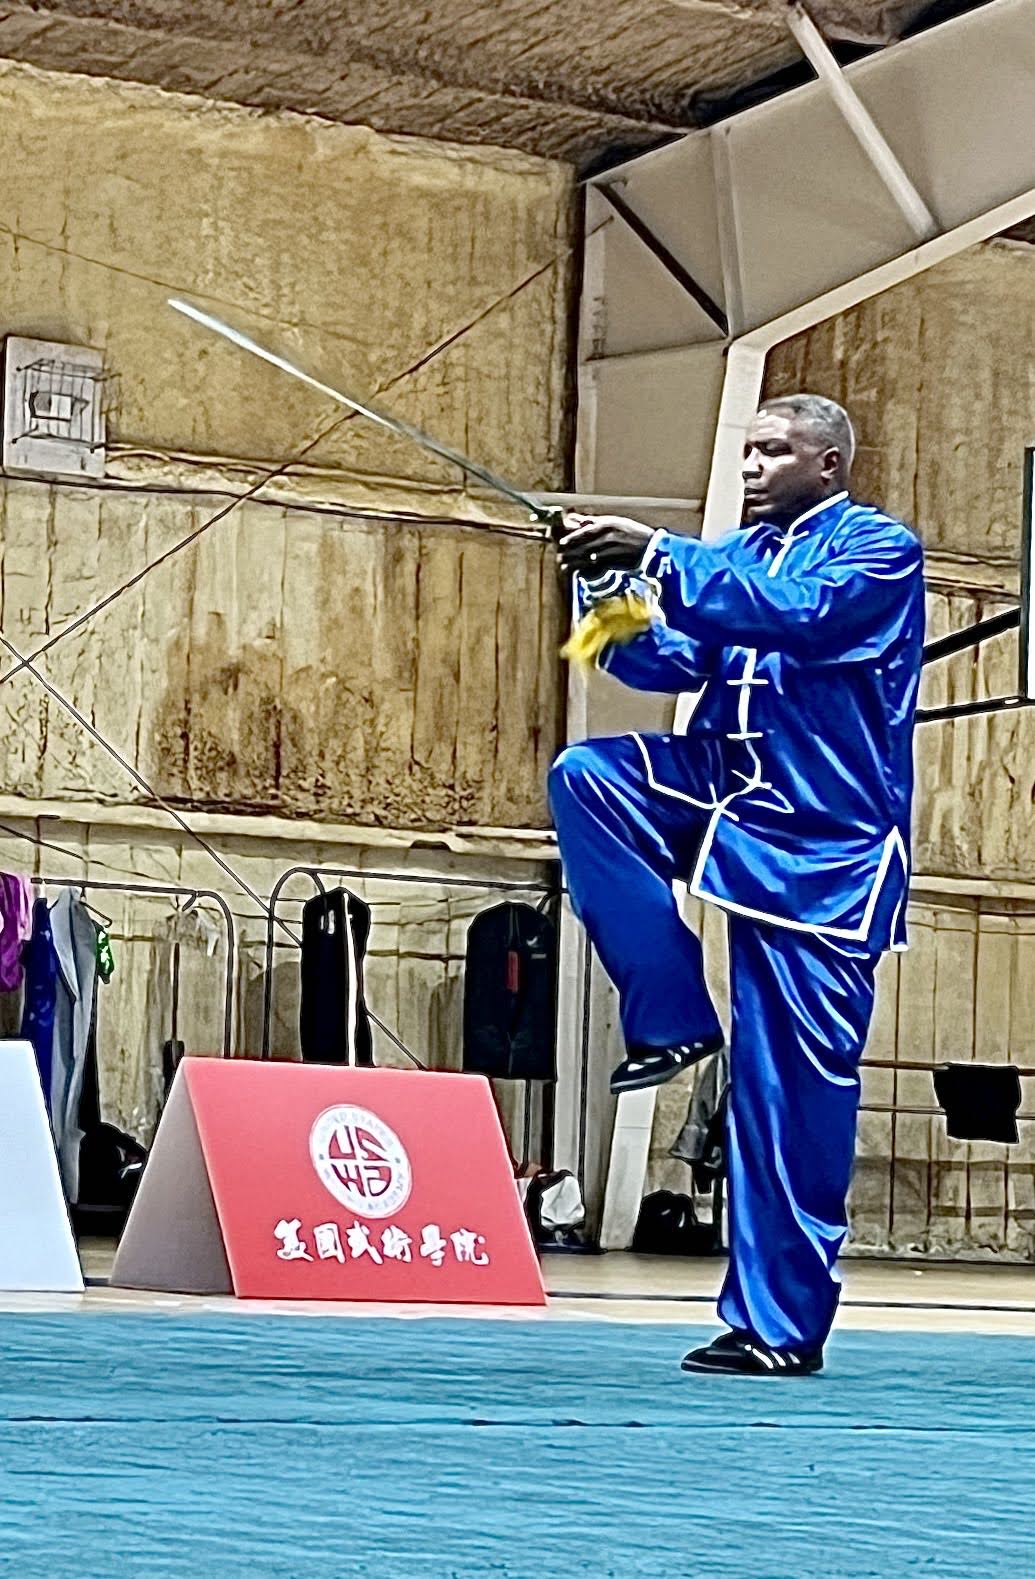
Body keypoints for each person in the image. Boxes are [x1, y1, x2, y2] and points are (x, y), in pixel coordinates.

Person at [549, 395, 925, 1376]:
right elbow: (663, 659)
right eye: (746, 450)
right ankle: (671, 1017)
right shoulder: (740, 556)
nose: (752, 466)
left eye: (773, 451)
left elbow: (801, 617)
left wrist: (659, 552)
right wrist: (604, 591)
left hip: (824, 852)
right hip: (728, 794)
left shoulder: (879, 551)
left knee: (786, 1094)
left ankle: (779, 1326)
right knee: (587, 778)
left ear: (829, 464)